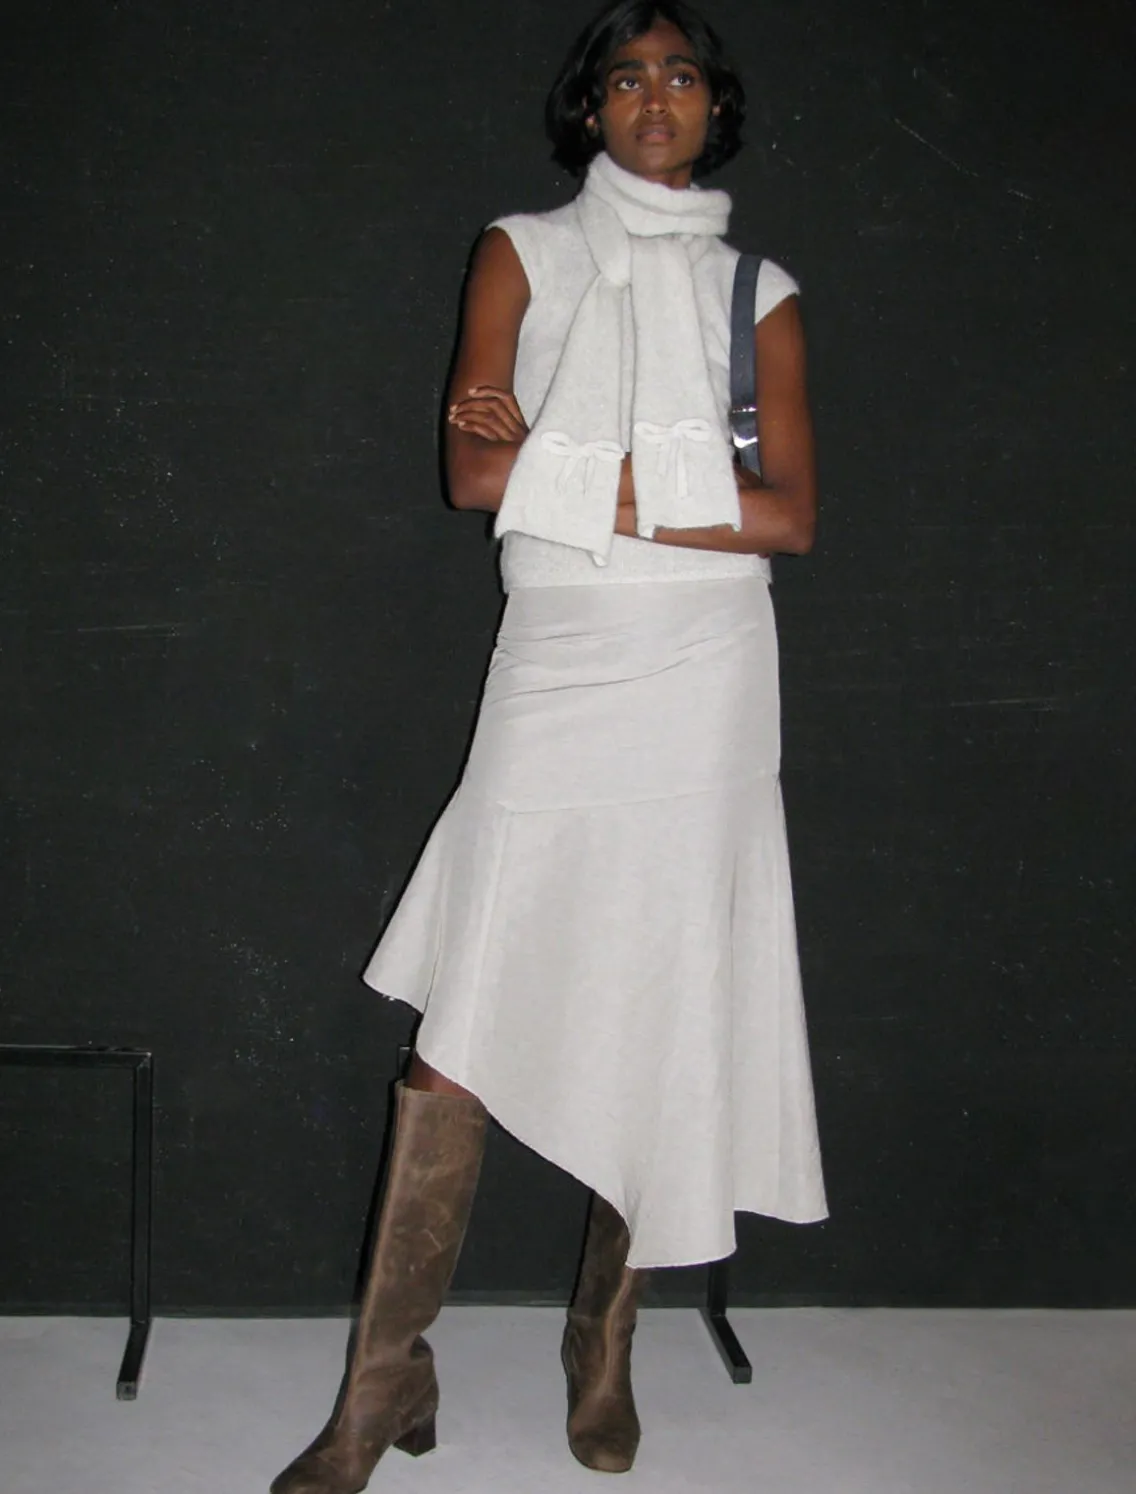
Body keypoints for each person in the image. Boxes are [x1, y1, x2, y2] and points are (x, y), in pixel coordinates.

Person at [271, 4, 827, 1489]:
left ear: (715, 106)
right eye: (627, 76)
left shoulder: (759, 293)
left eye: (682, 75)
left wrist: (566, 470)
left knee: (664, 1001)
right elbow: (472, 474)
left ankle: (605, 1343)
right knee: (462, 1019)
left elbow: (789, 517)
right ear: (590, 108)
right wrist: (668, 484)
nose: (656, 97)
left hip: (707, 672)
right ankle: (382, 1382)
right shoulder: (522, 251)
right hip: (563, 660)